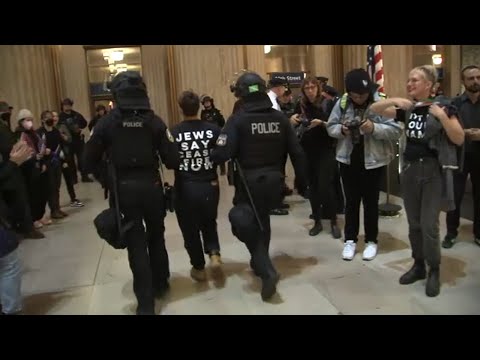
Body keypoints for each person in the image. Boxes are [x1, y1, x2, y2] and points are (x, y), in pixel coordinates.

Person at [84, 71, 180, 315]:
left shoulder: (107, 123)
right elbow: (172, 159)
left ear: (116, 94)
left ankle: (145, 304)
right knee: (157, 235)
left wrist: (108, 179)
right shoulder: (154, 121)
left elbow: (87, 161)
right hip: (152, 188)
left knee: (136, 244)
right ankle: (161, 283)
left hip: (124, 191)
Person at [211, 71, 308, 301]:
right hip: (275, 185)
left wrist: (217, 149)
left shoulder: (238, 120)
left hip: (249, 184)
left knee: (240, 220)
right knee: (262, 220)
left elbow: (221, 154)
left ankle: (266, 270)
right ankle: (259, 263)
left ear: (242, 95)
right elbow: (298, 153)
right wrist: (301, 183)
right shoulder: (280, 119)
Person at [370, 64, 465, 297]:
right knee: (414, 224)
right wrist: (394, 99)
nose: (410, 84)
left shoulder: (444, 107)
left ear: (429, 85)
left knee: (429, 225)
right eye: (409, 80)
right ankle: (419, 265)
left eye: (415, 80)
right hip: (410, 171)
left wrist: (441, 115)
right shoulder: (410, 109)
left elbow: (459, 138)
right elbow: (374, 109)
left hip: (433, 172)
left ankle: (434, 269)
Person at [327, 69, 402, 261]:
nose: (360, 98)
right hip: (348, 160)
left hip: (374, 162)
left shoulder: (381, 103)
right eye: (356, 95)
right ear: (349, 93)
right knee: (351, 203)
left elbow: (396, 131)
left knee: (370, 204)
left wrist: (374, 128)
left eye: (364, 94)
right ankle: (350, 240)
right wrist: (342, 130)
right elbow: (330, 127)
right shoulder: (342, 103)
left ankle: (371, 241)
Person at [172, 91, 222, 282]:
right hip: (210, 184)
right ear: (199, 107)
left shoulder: (174, 132)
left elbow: (170, 160)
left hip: (186, 186)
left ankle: (199, 267)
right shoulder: (213, 129)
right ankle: (214, 252)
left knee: (189, 227)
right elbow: (222, 152)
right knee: (209, 220)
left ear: (181, 108)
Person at [443, 65, 480, 248]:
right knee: (455, 196)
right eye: (471, 78)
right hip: (460, 156)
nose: (475, 81)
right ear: (463, 82)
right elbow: (447, 128)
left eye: (478, 77)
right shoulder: (455, 104)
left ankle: (479, 233)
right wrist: (463, 132)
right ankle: (451, 233)